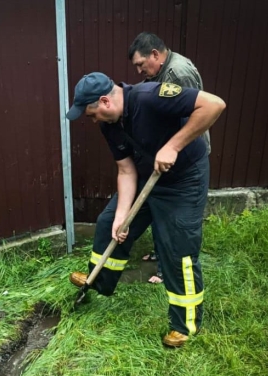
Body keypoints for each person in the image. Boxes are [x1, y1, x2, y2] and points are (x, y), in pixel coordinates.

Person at [67, 72, 225, 347]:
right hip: (144, 176)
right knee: (108, 224)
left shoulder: (149, 97)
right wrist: (121, 218)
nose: (92, 120)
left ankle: (184, 325)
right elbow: (126, 169)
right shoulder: (109, 124)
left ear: (104, 101)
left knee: (177, 249)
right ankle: (98, 281)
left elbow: (214, 104)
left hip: (182, 180)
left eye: (91, 114)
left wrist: (173, 146)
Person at [128, 32, 211, 284]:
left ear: (155, 54)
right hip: (168, 153)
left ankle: (167, 269)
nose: (140, 72)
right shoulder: (163, 71)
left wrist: (172, 149)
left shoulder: (177, 73)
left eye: (141, 65)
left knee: (173, 216)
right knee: (157, 206)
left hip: (183, 155)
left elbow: (189, 115)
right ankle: (159, 252)